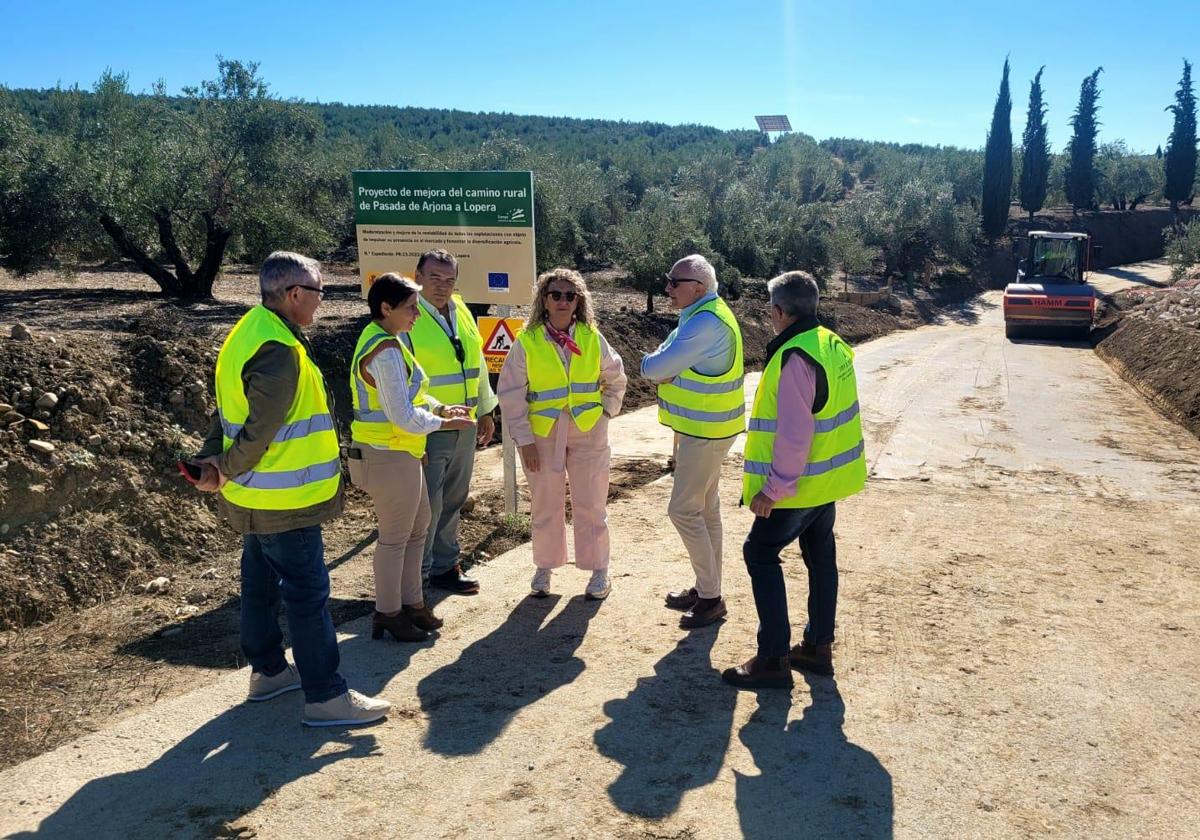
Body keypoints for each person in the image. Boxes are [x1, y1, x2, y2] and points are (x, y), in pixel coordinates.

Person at [192, 251, 390, 727]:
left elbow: (228, 414)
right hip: (286, 500)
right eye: (319, 292)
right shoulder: (278, 349)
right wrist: (224, 468)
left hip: (256, 498)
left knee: (259, 586)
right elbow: (259, 432)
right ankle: (325, 696)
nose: (322, 303)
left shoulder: (250, 332)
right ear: (295, 294)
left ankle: (269, 672)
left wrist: (217, 462)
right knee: (307, 594)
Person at [721, 271, 867, 689]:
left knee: (760, 553)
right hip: (828, 482)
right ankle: (818, 648)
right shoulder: (831, 344)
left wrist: (774, 487)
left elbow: (794, 431)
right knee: (820, 556)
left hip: (798, 485)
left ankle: (773, 658)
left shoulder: (795, 356)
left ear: (778, 311)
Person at [348, 273, 475, 643]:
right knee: (395, 538)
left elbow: (412, 396)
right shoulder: (385, 350)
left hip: (399, 451)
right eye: (410, 308)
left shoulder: (389, 340)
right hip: (387, 453)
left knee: (418, 529)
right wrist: (440, 420)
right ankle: (388, 613)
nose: (417, 315)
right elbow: (401, 415)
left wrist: (440, 407)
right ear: (385, 308)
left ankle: (412, 605)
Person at [497, 268, 627, 599]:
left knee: (591, 502)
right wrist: (523, 440)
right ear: (543, 299)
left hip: (588, 431)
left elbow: (616, 377)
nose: (563, 301)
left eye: (571, 296)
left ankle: (599, 570)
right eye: (556, 294)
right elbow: (511, 394)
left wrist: (606, 413)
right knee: (545, 503)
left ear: (579, 301)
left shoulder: (591, 337)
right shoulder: (528, 341)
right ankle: (545, 566)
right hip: (542, 435)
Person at [640, 254, 745, 629]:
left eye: (673, 282)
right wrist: (662, 365)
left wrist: (657, 367)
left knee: (683, 510)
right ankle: (707, 588)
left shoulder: (704, 323)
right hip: (710, 429)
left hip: (706, 432)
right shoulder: (705, 313)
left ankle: (712, 597)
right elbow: (663, 363)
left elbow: (655, 368)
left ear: (697, 288)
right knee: (706, 510)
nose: (667, 288)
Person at [403, 249, 498, 595]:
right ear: (418, 276)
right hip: (430, 428)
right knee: (426, 505)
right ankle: (418, 577)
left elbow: (479, 366)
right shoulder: (407, 317)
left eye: (449, 279)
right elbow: (403, 380)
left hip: (465, 425)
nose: (442, 286)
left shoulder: (462, 311)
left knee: (454, 498)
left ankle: (444, 568)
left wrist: (486, 410)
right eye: (434, 278)